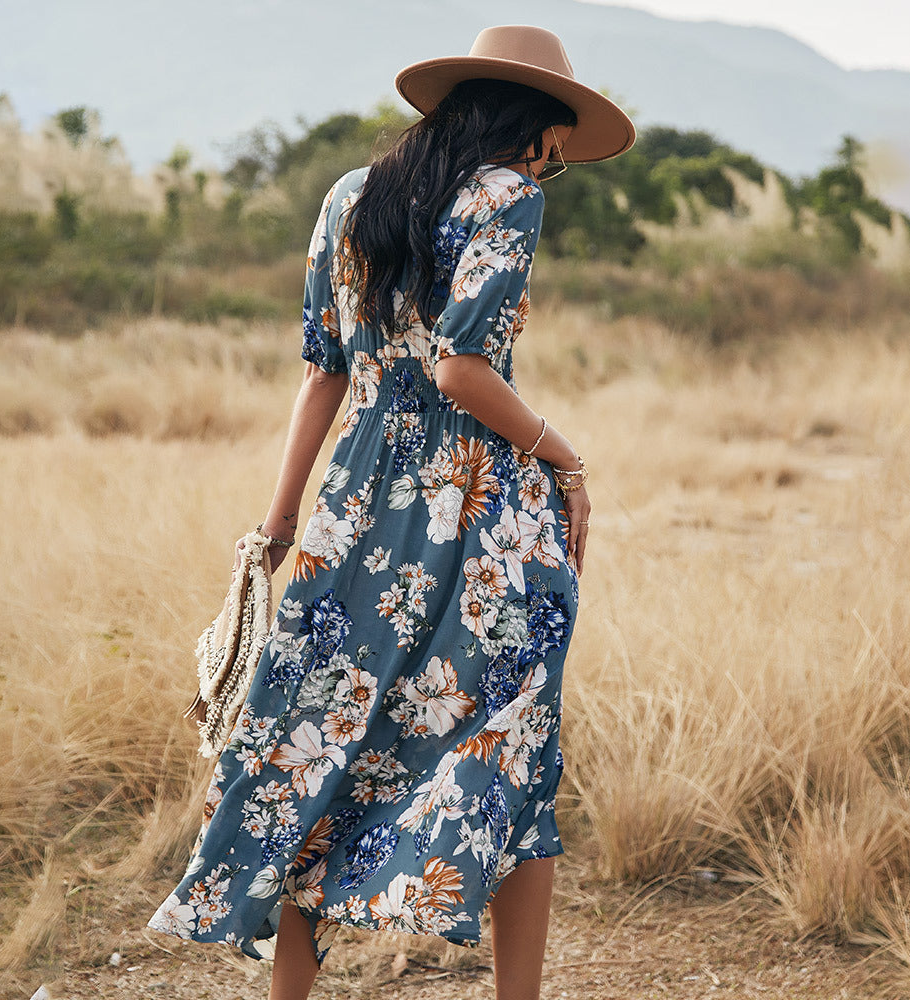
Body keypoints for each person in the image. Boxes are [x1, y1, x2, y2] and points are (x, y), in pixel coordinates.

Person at [148, 23, 635, 1000]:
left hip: (354, 506)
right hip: (482, 514)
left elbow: (321, 375)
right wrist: (566, 459)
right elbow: (462, 370)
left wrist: (281, 522)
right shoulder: (510, 196)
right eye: (555, 138)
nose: (553, 160)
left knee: (315, 739)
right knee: (511, 746)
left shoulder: (348, 196)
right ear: (533, 124)